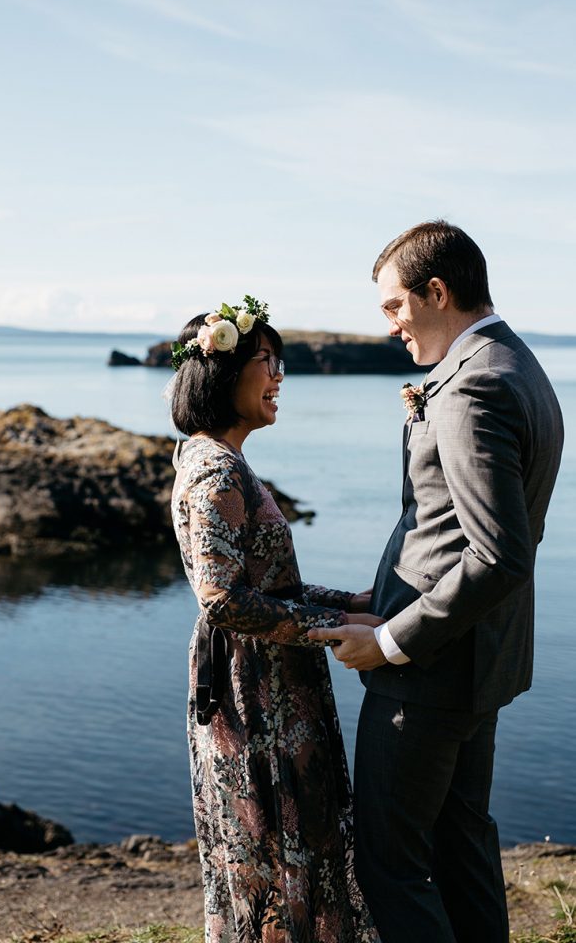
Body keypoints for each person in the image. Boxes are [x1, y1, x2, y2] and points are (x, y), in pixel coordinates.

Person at [310, 220, 564, 942]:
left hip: (429, 672)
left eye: (394, 306)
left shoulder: (470, 388)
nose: (389, 325)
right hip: (479, 661)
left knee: (389, 866)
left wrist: (390, 639)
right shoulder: (515, 364)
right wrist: (377, 600)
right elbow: (448, 530)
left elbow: (496, 555)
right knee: (460, 847)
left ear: (436, 290)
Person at [169, 297, 377, 943]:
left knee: (283, 856)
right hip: (256, 701)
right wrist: (327, 629)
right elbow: (223, 599)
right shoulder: (214, 468)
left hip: (267, 688)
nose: (279, 376)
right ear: (224, 373)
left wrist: (355, 603)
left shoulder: (218, 459)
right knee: (272, 857)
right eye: (268, 361)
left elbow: (272, 585)